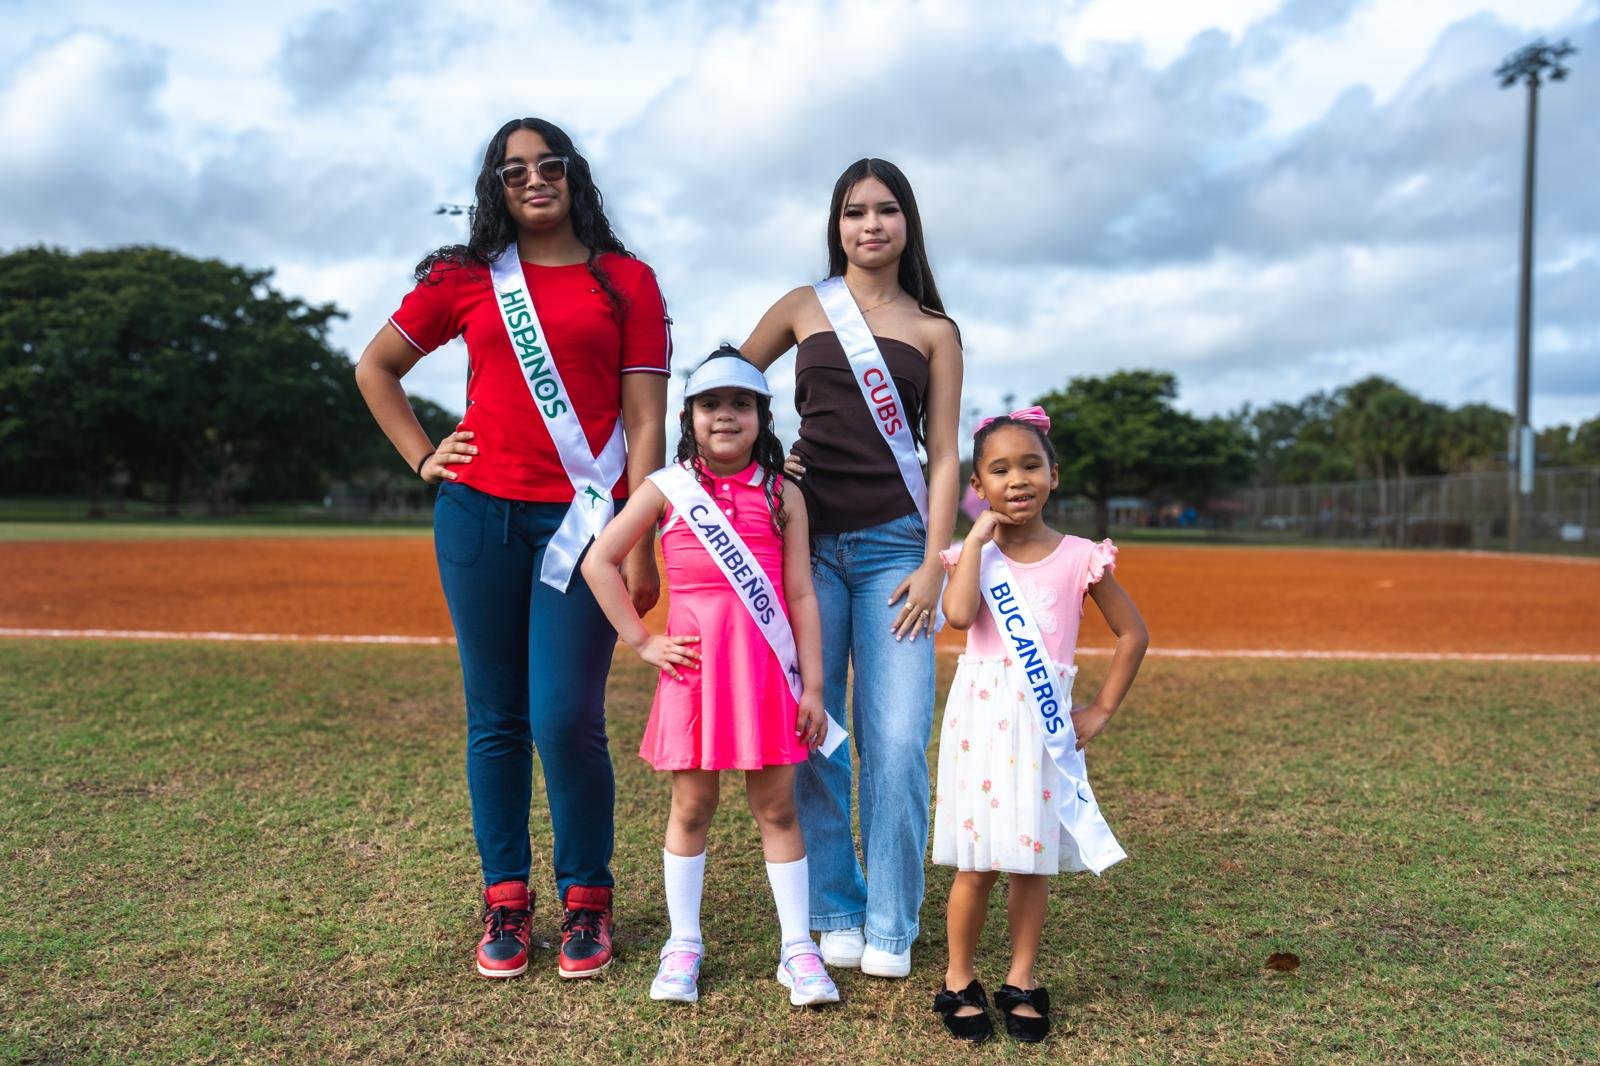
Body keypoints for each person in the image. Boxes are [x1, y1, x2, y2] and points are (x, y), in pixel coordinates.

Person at [354, 117, 671, 980]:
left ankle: (586, 902)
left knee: (567, 717)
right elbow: (375, 366)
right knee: (496, 720)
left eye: (549, 165)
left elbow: (645, 417)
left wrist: (637, 539)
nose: (535, 180)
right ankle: (504, 900)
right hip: (479, 518)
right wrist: (425, 454)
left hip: (588, 527)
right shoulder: (465, 277)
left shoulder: (628, 280)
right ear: (495, 186)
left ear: (574, 175)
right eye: (513, 170)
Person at [739, 158, 963, 978]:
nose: (870, 225)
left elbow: (944, 455)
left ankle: (892, 924)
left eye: (886, 211)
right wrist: (762, 467)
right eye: (854, 212)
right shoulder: (804, 307)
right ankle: (835, 906)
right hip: (806, 546)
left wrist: (938, 563)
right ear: (836, 225)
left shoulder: (936, 331)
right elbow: (729, 383)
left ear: (908, 223)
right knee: (817, 733)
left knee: (898, 742)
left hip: (898, 550)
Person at [581, 348, 840, 1007]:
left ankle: (796, 949)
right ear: (689, 417)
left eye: (741, 404)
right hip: (695, 675)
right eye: (710, 404)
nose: (725, 415)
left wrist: (811, 688)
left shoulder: (785, 494)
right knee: (691, 807)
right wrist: (641, 640)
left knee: (777, 807)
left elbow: (803, 595)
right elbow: (599, 562)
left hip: (765, 674)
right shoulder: (668, 488)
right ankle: (683, 944)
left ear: (762, 417)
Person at [930, 408, 1149, 1044]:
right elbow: (959, 613)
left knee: (1030, 864)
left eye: (1031, 465)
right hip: (980, 723)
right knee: (977, 865)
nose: (1017, 479)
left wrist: (1102, 707)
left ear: (1054, 476)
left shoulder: (1082, 557)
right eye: (999, 470)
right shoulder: (971, 555)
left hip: (1041, 730)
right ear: (979, 486)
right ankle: (958, 978)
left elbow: (1133, 633)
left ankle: (1021, 979)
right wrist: (975, 543)